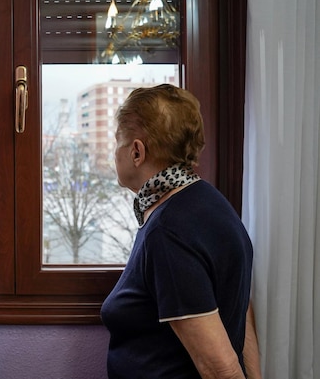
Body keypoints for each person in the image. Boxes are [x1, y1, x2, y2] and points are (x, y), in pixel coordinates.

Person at [101, 84, 261, 378]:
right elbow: (238, 307)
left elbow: (219, 367)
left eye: (117, 142)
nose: (114, 153)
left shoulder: (168, 232)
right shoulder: (210, 202)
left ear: (137, 152)